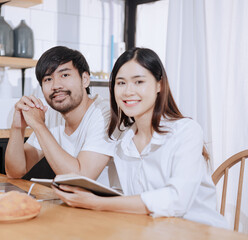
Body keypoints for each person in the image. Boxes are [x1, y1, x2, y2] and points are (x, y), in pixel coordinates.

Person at [52, 47, 227, 228]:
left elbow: (176, 200)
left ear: (159, 85)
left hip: (200, 232)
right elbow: (125, 197)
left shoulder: (186, 131)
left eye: (138, 82)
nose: (128, 91)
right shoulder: (123, 143)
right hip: (154, 230)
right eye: (121, 83)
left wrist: (97, 203)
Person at [5, 46, 115, 183]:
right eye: (48, 79)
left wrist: (38, 125)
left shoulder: (104, 113)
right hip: (70, 201)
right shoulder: (52, 115)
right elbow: (15, 171)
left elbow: (81, 178)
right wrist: (17, 128)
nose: (56, 85)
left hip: (106, 203)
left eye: (64, 75)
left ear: (85, 79)